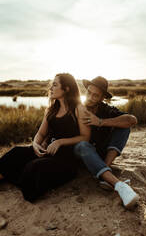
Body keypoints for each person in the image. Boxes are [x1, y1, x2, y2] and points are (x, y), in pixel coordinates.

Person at [0, 73, 90, 202]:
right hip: (47, 152)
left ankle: (13, 176)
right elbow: (41, 134)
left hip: (65, 160)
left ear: (66, 89)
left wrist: (60, 142)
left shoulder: (78, 109)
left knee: (33, 167)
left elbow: (85, 137)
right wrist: (36, 144)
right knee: (15, 153)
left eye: (55, 85)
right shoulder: (51, 110)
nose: (51, 88)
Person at [74, 76, 139, 209]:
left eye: (95, 95)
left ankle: (104, 172)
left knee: (124, 126)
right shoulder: (77, 107)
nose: (90, 97)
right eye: (89, 93)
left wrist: (100, 122)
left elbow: (132, 120)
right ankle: (117, 184)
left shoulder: (106, 110)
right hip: (81, 154)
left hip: (100, 154)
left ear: (102, 97)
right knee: (82, 145)